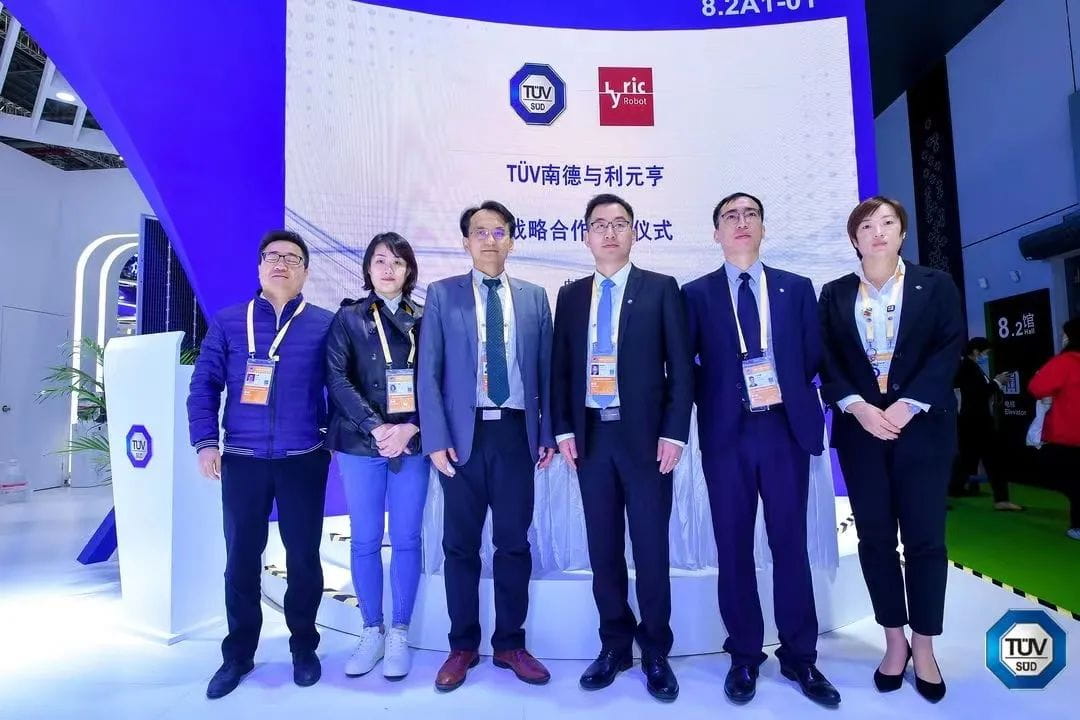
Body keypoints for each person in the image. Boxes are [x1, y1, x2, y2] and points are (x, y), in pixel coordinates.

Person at [682, 192, 840, 708]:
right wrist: (721, 397)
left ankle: (800, 656)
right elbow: (686, 365)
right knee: (733, 548)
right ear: (717, 233)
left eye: (750, 214)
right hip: (727, 436)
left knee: (790, 544)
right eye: (730, 216)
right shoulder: (696, 294)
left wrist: (786, 388)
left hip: (784, 431)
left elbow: (813, 353)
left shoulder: (797, 288)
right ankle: (745, 654)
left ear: (763, 227)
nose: (741, 222)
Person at [818, 196, 963, 703]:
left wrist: (909, 404)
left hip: (922, 430)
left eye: (887, 223)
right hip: (862, 433)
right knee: (876, 540)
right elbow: (826, 358)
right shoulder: (835, 294)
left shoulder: (934, 285)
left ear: (902, 233)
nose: (877, 231)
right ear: (854, 238)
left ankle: (924, 646)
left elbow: (949, 346)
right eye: (866, 225)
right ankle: (894, 641)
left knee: (925, 540)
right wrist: (857, 406)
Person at [552, 194, 692, 702]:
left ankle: (655, 649)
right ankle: (614, 644)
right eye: (599, 225)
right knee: (603, 547)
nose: (609, 233)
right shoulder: (571, 296)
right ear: (586, 236)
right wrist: (563, 430)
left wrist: (674, 433)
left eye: (619, 224)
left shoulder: (661, 288)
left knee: (651, 548)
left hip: (647, 441)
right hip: (592, 438)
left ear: (634, 232)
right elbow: (560, 367)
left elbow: (681, 367)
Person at [187, 230, 334, 699]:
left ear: (305, 272)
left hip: (302, 459)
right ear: (259, 267)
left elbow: (341, 386)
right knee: (241, 560)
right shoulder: (230, 322)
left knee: (304, 558)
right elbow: (204, 385)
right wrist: (205, 443)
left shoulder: (324, 324)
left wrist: (330, 438)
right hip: (242, 460)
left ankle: (304, 646)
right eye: (273, 256)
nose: (281, 264)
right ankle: (238, 654)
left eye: (293, 258)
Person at [418, 201, 556, 692]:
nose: (490, 240)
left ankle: (511, 644)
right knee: (459, 546)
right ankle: (462, 646)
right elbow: (428, 372)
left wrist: (546, 433)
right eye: (480, 232)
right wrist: (435, 439)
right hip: (462, 438)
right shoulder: (442, 294)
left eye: (499, 231)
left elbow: (546, 372)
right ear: (466, 242)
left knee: (513, 544)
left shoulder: (535, 297)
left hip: (516, 434)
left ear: (512, 241)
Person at [324, 233, 427, 679]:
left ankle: (399, 630)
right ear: (368, 268)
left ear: (409, 271)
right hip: (360, 443)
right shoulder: (348, 318)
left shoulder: (426, 318)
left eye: (398, 262)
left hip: (412, 442)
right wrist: (377, 427)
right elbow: (336, 378)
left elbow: (440, 379)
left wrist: (411, 427)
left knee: (406, 538)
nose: (389, 269)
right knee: (365, 538)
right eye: (380, 261)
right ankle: (372, 629)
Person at [950, 337, 1022, 510]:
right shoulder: (967, 368)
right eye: (985, 353)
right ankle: (1001, 499)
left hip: (971, 422)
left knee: (966, 459)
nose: (986, 356)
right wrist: (997, 382)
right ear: (976, 351)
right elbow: (977, 393)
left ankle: (953, 489)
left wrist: (994, 383)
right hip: (977, 422)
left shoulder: (970, 367)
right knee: (993, 459)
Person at [1028, 317, 1080, 540]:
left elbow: (1037, 386)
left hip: (1068, 433)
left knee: (1072, 480)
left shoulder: (1066, 361)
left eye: (1064, 334)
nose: (1062, 337)